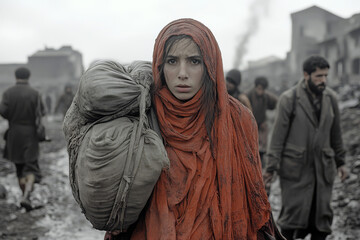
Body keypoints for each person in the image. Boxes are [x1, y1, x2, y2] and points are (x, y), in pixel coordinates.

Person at [106, 18, 284, 240]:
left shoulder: (238, 119)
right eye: (172, 61)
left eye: (194, 61)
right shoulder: (142, 116)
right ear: (159, 65)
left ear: (209, 64)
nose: (182, 73)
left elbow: (253, 194)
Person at [263, 56, 348, 240]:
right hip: (296, 171)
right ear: (306, 75)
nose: (323, 80)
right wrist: (271, 168)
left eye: (325, 75)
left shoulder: (331, 98)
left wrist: (341, 162)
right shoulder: (289, 99)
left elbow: (336, 134)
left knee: (321, 222)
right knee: (291, 221)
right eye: (318, 76)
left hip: (322, 171)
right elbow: (277, 138)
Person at [0, 67, 45, 211]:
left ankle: (24, 195)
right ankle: (27, 196)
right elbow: (42, 112)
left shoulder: (8, 93)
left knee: (19, 167)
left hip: (14, 133)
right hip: (30, 133)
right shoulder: (35, 93)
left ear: (15, 76)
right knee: (31, 166)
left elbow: (3, 112)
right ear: (29, 76)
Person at [246, 76, 278, 168]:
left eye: (263, 89)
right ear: (256, 87)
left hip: (262, 125)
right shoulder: (248, 95)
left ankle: (261, 165)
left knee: (262, 150)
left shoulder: (266, 96)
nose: (261, 91)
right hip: (250, 125)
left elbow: (278, 102)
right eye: (259, 89)